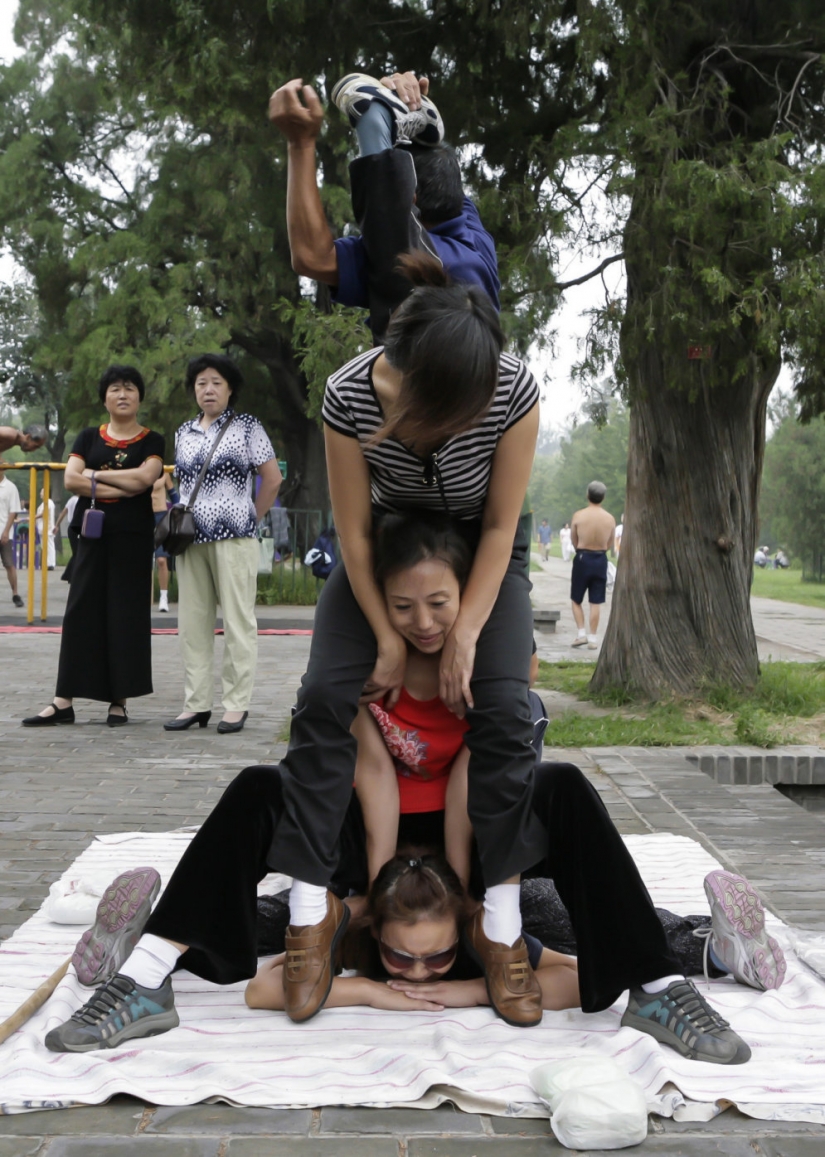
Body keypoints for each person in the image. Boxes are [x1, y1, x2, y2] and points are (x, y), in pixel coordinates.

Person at [44, 511, 762, 1063]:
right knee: (266, 809)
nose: (421, 622)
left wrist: (463, 892)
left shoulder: (491, 667)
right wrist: (375, 885)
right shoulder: (366, 669)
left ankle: (680, 969)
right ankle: (141, 964)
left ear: (466, 599)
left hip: (473, 838)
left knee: (553, 862)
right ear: (377, 602)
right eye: (402, 606)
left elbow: (475, 778)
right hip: (371, 837)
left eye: (438, 605)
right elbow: (372, 771)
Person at [268, 70, 499, 340]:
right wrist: (409, 102)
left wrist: (301, 144)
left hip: (422, 378)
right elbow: (419, 178)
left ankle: (375, 124)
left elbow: (312, 257)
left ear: (410, 198)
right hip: (481, 374)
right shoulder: (474, 236)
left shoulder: (418, 264)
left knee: (395, 230)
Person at [22, 366, 164, 727]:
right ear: (105, 398)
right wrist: (123, 485)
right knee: (79, 612)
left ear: (139, 397)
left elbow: (147, 479)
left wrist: (95, 476)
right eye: (115, 388)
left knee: (125, 614)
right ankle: (62, 701)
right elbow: (71, 479)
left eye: (130, 388)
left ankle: (119, 701)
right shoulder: (88, 437)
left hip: (132, 538)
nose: (122, 394)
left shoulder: (152, 441)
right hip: (92, 535)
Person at [163, 354, 281, 735]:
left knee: (237, 622)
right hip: (191, 539)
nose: (208, 389)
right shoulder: (184, 432)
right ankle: (195, 704)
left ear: (230, 388)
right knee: (191, 624)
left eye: (216, 382)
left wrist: (250, 518)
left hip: (235, 539)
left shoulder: (247, 426)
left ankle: (235, 705)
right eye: (201, 383)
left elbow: (272, 478)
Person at [570, 482, 615, 651]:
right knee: (595, 601)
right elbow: (610, 542)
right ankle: (593, 638)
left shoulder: (579, 516)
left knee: (576, 598)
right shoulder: (609, 518)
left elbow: (574, 539)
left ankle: (581, 633)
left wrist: (579, 549)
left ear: (588, 495)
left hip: (583, 557)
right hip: (600, 558)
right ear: (603, 497)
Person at [151, 473, 178, 612]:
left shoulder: (164, 474)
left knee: (162, 560)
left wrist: (179, 512)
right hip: (144, 514)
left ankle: (163, 597)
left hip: (161, 516)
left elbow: (173, 495)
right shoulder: (140, 468)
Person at [0, 460, 24, 607]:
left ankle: (15, 594)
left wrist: (6, 531)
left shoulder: (10, 487)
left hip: (4, 532)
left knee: (9, 564)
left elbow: (13, 511)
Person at [54, 494, 79, 582]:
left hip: (71, 528)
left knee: (76, 552)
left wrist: (57, 525)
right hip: (77, 527)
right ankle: (69, 574)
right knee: (78, 553)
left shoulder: (71, 500)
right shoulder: (79, 501)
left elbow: (63, 513)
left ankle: (69, 574)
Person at [35, 487, 56, 570]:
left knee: (49, 546)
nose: (40, 493)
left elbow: (44, 513)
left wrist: (33, 517)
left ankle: (50, 564)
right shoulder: (44, 503)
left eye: (42, 492)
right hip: (43, 528)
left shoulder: (49, 502)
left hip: (48, 528)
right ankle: (46, 563)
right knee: (44, 547)